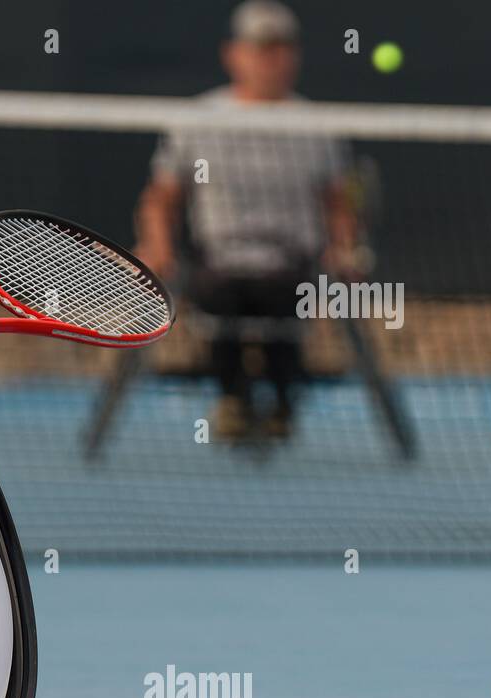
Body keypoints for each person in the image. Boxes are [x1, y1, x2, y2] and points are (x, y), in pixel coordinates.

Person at [134, 0, 359, 440]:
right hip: (219, 264)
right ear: (233, 54)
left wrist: (345, 247)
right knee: (223, 295)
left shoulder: (317, 126)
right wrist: (157, 246)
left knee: (288, 298)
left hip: (292, 268)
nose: (271, 60)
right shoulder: (198, 119)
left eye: (281, 49)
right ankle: (233, 397)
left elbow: (338, 202)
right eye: (260, 48)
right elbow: (160, 199)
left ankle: (282, 399)